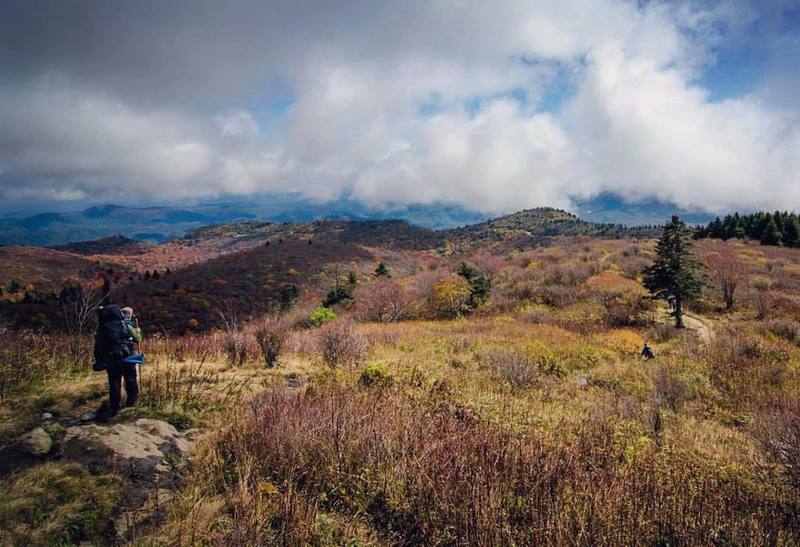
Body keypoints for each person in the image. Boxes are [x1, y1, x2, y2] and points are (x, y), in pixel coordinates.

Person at [94, 305, 138, 418]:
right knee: (131, 379)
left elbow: (98, 346)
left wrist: (99, 360)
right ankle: (131, 403)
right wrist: (137, 331)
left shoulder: (102, 328)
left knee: (114, 382)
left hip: (111, 360)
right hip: (127, 357)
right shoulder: (124, 324)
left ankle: (114, 407)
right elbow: (137, 338)